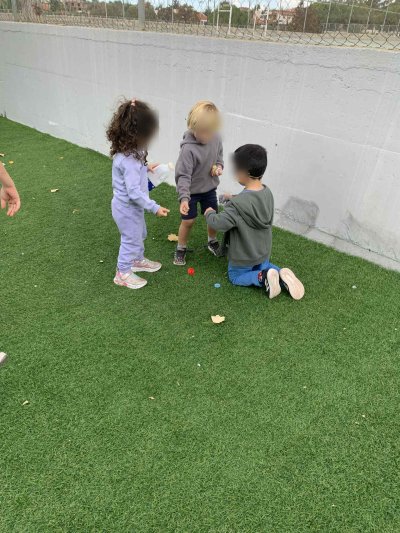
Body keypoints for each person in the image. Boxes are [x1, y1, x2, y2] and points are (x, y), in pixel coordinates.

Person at [205, 144, 304, 300]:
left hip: (244, 257)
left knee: (235, 276)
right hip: (263, 252)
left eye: (235, 169)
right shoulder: (267, 192)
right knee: (264, 265)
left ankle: (262, 277)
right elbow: (251, 201)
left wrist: (209, 213)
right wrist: (232, 197)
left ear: (244, 172)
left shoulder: (236, 207)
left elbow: (220, 223)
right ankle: (280, 274)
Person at [106, 98, 169, 290]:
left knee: (139, 234)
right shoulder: (129, 161)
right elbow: (133, 192)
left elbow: (135, 171)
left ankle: (136, 260)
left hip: (131, 207)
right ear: (138, 134)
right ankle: (122, 273)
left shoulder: (131, 152)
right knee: (131, 239)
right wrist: (154, 207)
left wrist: (146, 167)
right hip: (126, 208)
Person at [173, 101, 224, 266]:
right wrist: (184, 198)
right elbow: (183, 175)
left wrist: (218, 167)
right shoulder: (188, 149)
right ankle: (181, 247)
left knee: (212, 217)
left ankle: (212, 241)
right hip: (191, 192)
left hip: (209, 189)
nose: (202, 136)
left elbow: (219, 158)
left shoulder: (216, 139)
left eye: (207, 132)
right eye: (199, 131)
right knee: (188, 221)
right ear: (192, 126)